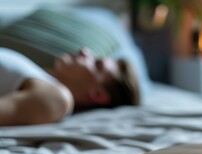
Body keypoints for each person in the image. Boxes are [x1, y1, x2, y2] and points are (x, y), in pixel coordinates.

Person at [0, 47, 140, 126]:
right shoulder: (41, 76)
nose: (85, 51)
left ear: (97, 95)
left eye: (97, 64)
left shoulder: (58, 98)